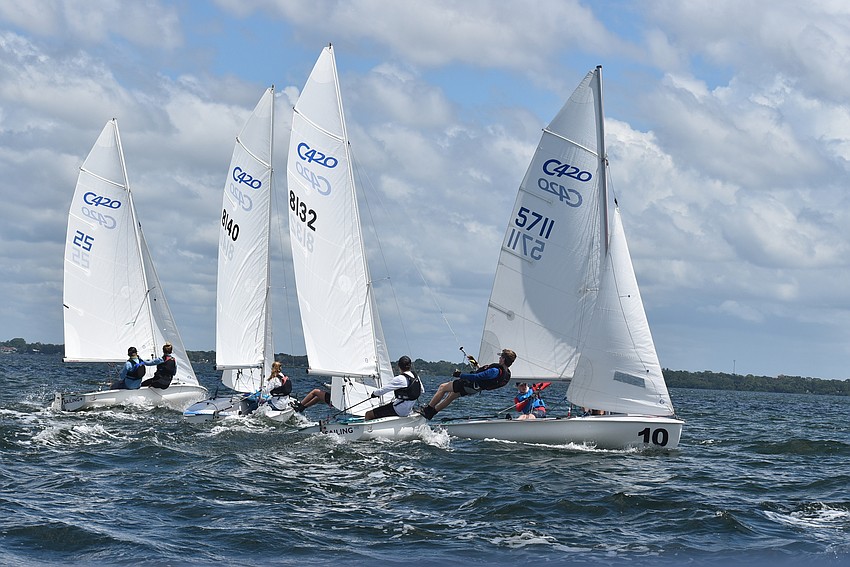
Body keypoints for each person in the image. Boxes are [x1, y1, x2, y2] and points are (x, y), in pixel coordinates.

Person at [419, 348, 516, 420]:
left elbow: (477, 377)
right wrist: (475, 363)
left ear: (503, 359)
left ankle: (428, 409)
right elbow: (483, 375)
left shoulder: (495, 370)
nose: (499, 358)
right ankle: (432, 413)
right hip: (474, 389)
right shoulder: (505, 373)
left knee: (442, 387)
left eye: (501, 357)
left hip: (468, 384)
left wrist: (460, 375)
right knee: (451, 396)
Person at [364, 355, 424, 420]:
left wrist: (374, 394)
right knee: (390, 405)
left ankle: (369, 430)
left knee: (368, 414)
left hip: (399, 410)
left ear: (399, 366)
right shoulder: (416, 377)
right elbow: (422, 391)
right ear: (410, 365)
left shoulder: (399, 379)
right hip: (409, 410)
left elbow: (383, 390)